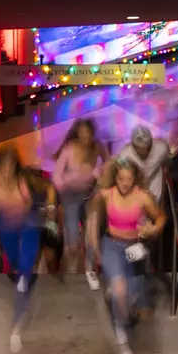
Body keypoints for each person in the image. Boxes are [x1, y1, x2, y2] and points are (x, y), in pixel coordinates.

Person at [90, 158, 167, 354]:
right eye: (121, 178)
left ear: (135, 179)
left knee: (132, 301)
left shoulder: (143, 197)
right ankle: (123, 340)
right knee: (120, 290)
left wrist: (153, 229)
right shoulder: (106, 195)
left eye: (129, 179)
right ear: (115, 177)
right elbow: (92, 216)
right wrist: (94, 248)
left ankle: (120, 307)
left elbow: (161, 217)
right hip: (112, 245)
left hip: (134, 248)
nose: (125, 183)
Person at [0, 148, 50, 352]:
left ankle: (15, 332)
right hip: (6, 229)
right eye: (4, 165)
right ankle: (22, 280)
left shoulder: (23, 179)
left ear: (15, 166)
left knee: (23, 272)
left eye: (11, 165)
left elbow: (33, 201)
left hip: (26, 225)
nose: (7, 170)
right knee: (15, 267)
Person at [51, 119, 105, 281]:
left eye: (87, 132)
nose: (85, 136)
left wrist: (99, 175)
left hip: (89, 196)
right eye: (81, 132)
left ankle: (89, 271)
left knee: (91, 237)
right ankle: (66, 269)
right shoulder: (69, 148)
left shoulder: (97, 147)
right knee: (73, 245)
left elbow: (109, 164)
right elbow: (56, 176)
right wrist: (65, 186)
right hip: (71, 197)